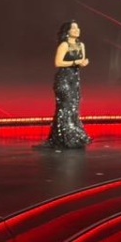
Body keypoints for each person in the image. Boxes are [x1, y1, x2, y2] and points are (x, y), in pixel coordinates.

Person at [43, 19, 92, 149]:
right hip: (63, 80)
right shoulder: (64, 45)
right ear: (67, 32)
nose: (77, 30)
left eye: (78, 28)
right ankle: (63, 137)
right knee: (65, 107)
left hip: (74, 80)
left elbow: (81, 61)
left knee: (73, 107)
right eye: (73, 28)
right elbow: (58, 63)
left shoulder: (81, 45)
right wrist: (76, 62)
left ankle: (72, 135)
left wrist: (83, 63)